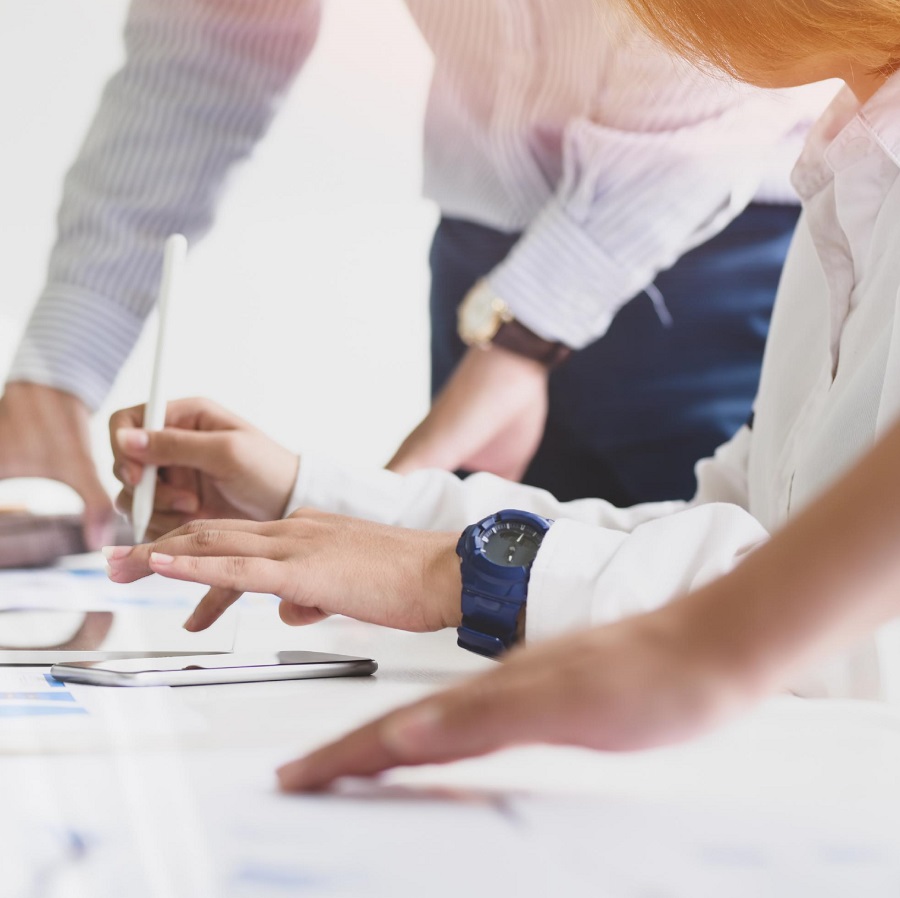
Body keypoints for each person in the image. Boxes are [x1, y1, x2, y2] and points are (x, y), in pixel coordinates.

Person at [104, 0, 900, 791]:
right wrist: (313, 497)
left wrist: (462, 574)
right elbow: (750, 544)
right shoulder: (851, 172)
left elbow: (857, 636)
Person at [0, 0, 821, 552]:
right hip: (483, 258)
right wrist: (56, 371)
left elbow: (718, 82)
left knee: (737, 607)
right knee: (485, 629)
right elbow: (208, 48)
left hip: (722, 243)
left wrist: (525, 335)